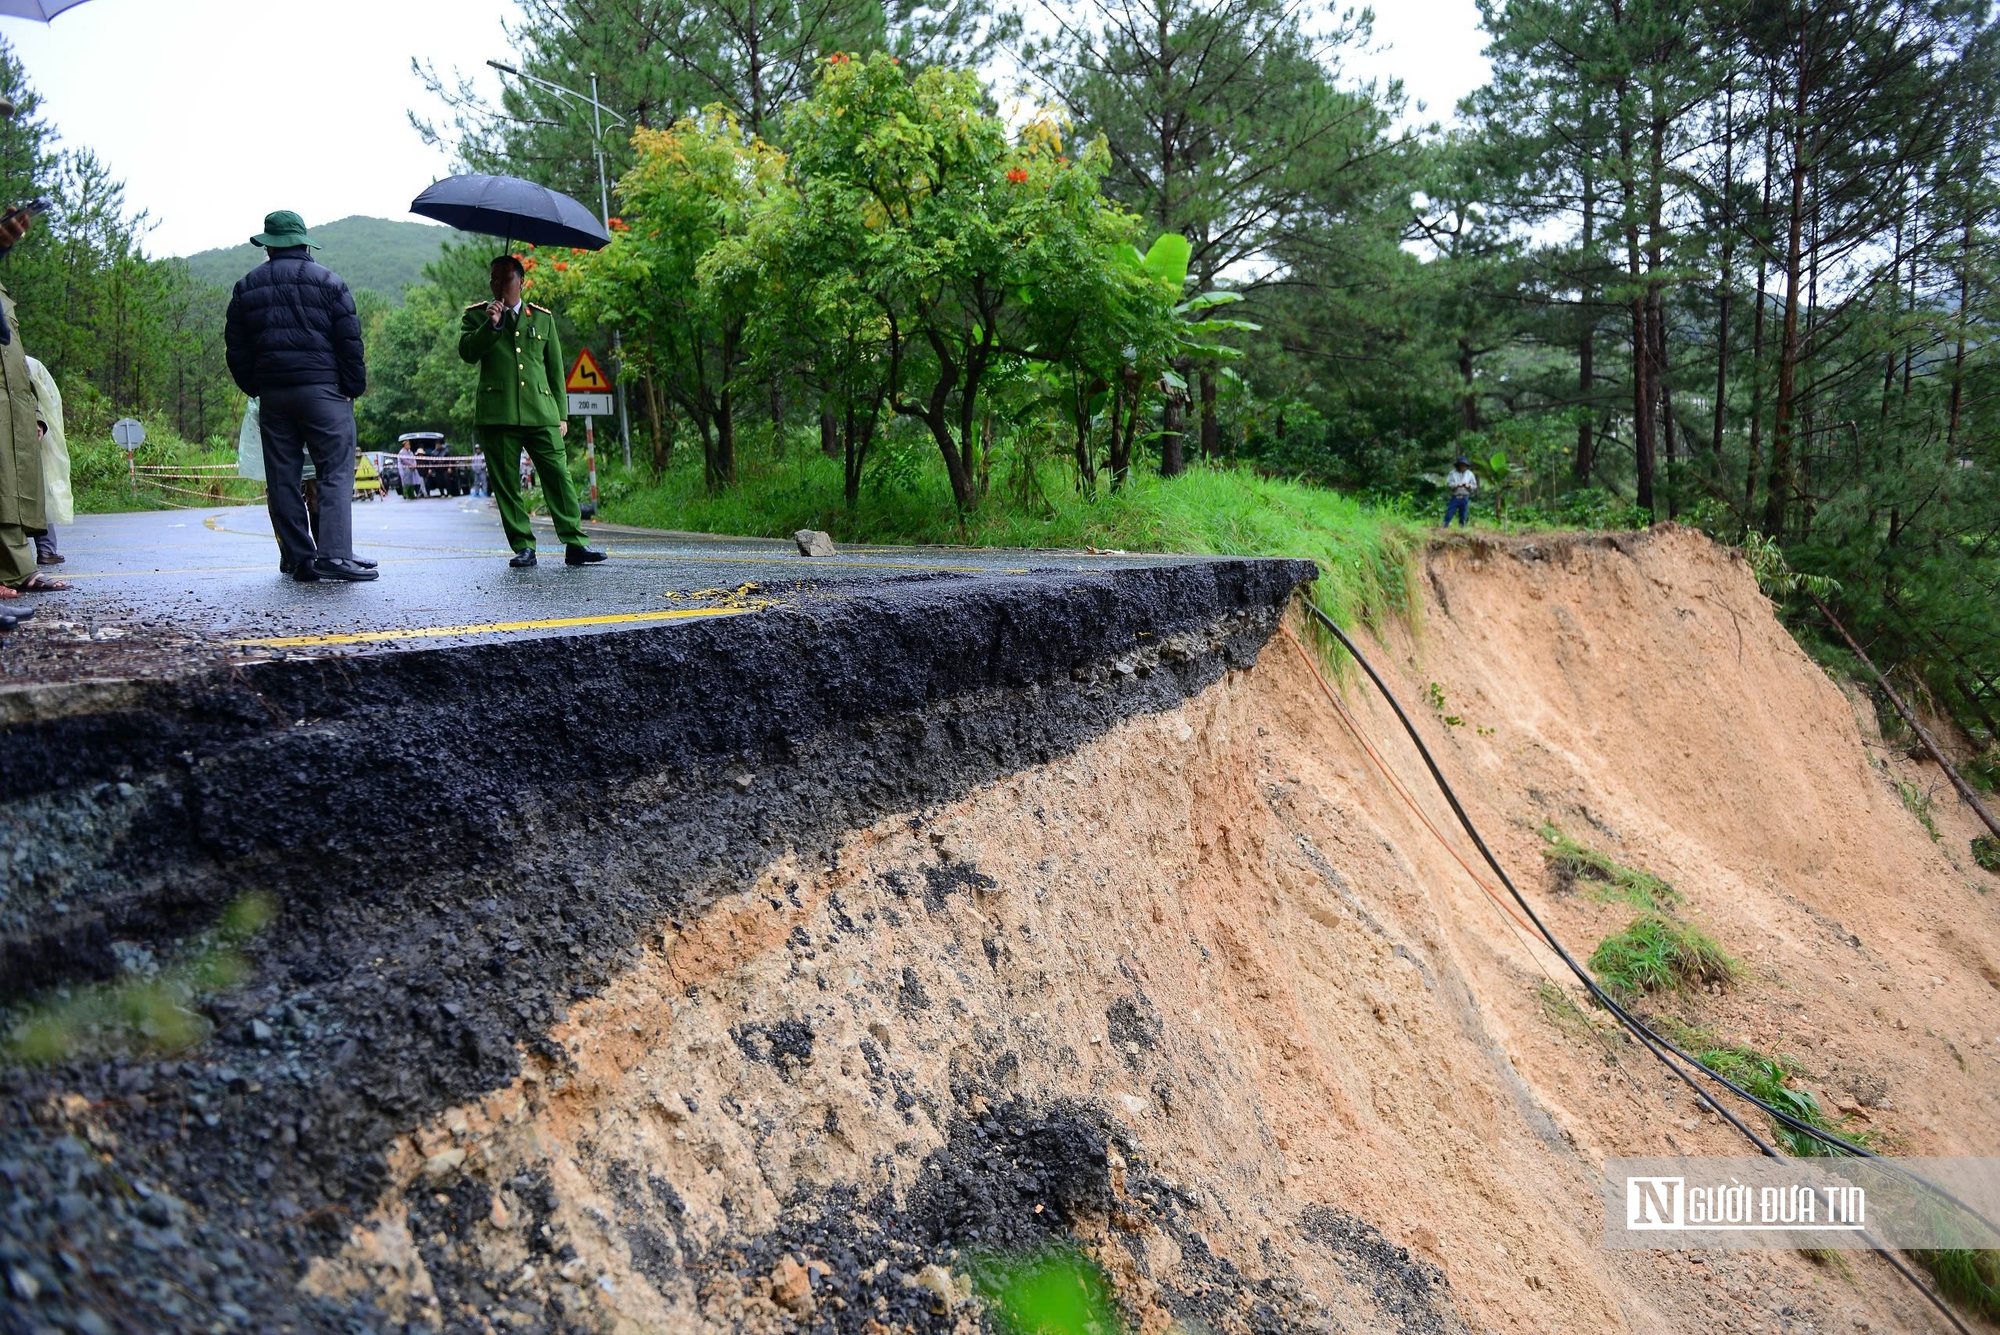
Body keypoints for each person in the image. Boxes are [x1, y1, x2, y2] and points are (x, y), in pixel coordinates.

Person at [224, 210, 377, 582]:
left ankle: (299, 558)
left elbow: (236, 349)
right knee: (335, 471)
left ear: (270, 246)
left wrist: (258, 388)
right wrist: (351, 389)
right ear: (304, 243)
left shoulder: (246, 287)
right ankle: (336, 556)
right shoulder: (329, 282)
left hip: (274, 396)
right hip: (324, 393)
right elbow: (349, 343)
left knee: (282, 477)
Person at [459, 255, 604, 569]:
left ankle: (575, 544)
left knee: (558, 477)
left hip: (541, 412)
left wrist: (562, 415)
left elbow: (555, 370)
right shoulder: (477, 316)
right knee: (507, 485)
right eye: (494, 278)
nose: (500, 284)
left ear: (521, 281)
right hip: (498, 415)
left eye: (507, 278)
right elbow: (468, 353)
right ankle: (524, 546)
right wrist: (491, 326)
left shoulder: (542, 318)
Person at [0, 101, 65, 599]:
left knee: (15, 480)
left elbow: (16, 358)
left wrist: (36, 408)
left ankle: (17, 569)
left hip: (12, 399)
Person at [26, 356, 69, 565]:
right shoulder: (26, 362)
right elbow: (47, 399)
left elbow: (44, 399)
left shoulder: (26, 363)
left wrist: (39, 423)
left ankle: (46, 550)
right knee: (37, 493)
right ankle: (46, 550)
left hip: (27, 437)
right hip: (26, 438)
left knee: (36, 492)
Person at [1444, 455, 1479, 528]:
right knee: (1450, 513)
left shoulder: (1470, 474)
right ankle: (1445, 527)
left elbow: (1474, 485)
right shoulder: (1452, 473)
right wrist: (1457, 485)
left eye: (1464, 465)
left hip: (1465, 497)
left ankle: (1462, 529)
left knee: (1463, 515)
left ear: (1466, 466)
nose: (1462, 466)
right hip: (1455, 497)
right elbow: (1448, 484)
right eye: (1461, 465)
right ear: (1458, 465)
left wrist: (1468, 486)